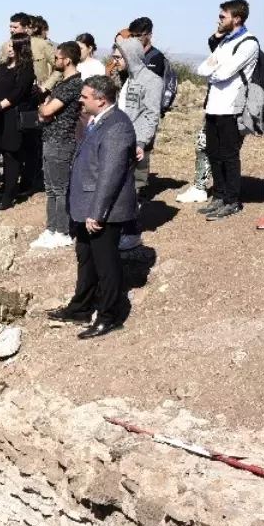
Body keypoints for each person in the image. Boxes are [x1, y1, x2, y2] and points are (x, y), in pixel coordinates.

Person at [47, 76, 137, 339]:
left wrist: (96, 213)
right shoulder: (100, 121)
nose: (80, 100)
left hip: (103, 210)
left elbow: (110, 175)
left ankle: (110, 316)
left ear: (101, 99)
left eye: (85, 96)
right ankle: (80, 308)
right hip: (88, 206)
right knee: (86, 259)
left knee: (106, 264)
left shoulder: (117, 126)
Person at [197, 0, 260, 221]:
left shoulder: (248, 43)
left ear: (237, 18)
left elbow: (223, 73)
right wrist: (215, 68)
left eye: (223, 16)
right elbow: (201, 68)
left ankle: (232, 200)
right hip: (214, 105)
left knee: (229, 155)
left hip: (232, 107)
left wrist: (214, 69)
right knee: (213, 153)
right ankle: (220, 196)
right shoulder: (224, 42)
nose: (219, 19)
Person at [32, 42, 86, 250]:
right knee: (51, 188)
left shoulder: (73, 84)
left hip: (61, 141)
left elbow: (46, 111)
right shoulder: (63, 83)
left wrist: (43, 108)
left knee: (59, 188)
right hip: (51, 138)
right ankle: (51, 228)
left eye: (57, 58)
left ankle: (62, 231)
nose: (54, 61)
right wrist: (44, 109)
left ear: (68, 60)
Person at [112, 36, 163, 250]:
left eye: (119, 56)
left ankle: (132, 233)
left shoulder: (151, 81)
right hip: (120, 138)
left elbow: (151, 115)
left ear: (130, 56)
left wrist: (141, 142)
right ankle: (120, 227)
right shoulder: (128, 78)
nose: (116, 60)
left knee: (131, 189)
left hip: (134, 141)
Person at [0, 34, 37, 211]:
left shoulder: (26, 69)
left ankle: (9, 195)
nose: (9, 48)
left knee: (10, 156)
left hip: (12, 117)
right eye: (8, 45)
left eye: (12, 46)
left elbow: (18, 93)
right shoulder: (2, 67)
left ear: (21, 47)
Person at [176, 32, 224, 205]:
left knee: (220, 149)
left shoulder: (239, 55)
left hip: (229, 111)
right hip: (216, 110)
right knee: (204, 145)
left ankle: (217, 190)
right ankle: (204, 187)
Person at [0, 13, 57, 90]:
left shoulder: (42, 45)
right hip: (11, 93)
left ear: (26, 28)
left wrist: (47, 86)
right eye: (10, 27)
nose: (11, 30)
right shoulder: (6, 46)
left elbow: (59, 67)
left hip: (37, 93)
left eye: (15, 27)